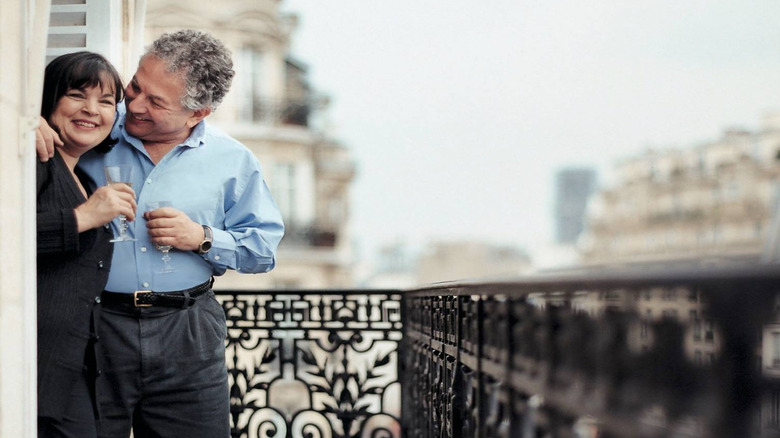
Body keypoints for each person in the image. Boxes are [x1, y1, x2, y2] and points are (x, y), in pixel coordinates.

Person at [38, 30, 284, 438]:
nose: (132, 105)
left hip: (188, 331)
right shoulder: (92, 126)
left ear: (197, 114)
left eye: (155, 102)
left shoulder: (233, 160)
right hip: (94, 327)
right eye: (135, 86)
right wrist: (26, 125)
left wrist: (202, 237)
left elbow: (262, 251)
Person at [36, 51, 137, 437]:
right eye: (78, 94)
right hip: (28, 363)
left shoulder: (89, 181)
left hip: (74, 366)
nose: (92, 110)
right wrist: (83, 218)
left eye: (107, 102)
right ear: (50, 100)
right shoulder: (30, 159)